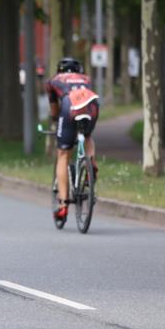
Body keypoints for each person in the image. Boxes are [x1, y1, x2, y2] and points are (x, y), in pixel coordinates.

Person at [45, 57, 100, 222]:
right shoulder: (86, 79)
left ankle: (62, 206)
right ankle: (91, 166)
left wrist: (56, 119)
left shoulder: (53, 80)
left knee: (63, 154)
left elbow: (55, 110)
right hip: (92, 103)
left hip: (69, 104)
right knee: (87, 136)